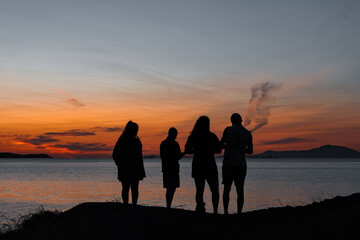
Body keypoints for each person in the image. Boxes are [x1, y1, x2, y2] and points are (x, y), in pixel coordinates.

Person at [185, 116, 221, 214]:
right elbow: (219, 149)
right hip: (209, 164)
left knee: (200, 190)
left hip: (198, 164)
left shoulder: (193, 136)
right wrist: (210, 150)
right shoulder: (212, 136)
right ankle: (215, 211)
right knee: (214, 190)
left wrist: (196, 150)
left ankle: (200, 209)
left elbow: (187, 150)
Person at [220, 113, 253, 214]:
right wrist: (241, 149)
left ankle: (226, 212)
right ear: (241, 120)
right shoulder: (248, 133)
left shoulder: (228, 130)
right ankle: (239, 212)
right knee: (240, 189)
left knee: (227, 188)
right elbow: (250, 151)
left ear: (232, 121)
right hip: (241, 165)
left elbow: (221, 145)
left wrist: (230, 147)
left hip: (228, 163)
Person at [112, 121, 146, 205]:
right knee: (126, 187)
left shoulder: (135, 141)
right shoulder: (122, 141)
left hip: (135, 168)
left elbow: (139, 157)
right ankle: (126, 205)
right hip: (126, 168)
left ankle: (133, 205)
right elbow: (115, 155)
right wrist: (121, 164)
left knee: (134, 187)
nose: (137, 131)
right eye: (135, 130)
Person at [160, 127, 185, 208]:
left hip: (169, 168)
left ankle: (168, 205)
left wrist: (183, 153)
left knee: (171, 188)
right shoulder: (172, 144)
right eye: (175, 135)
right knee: (171, 188)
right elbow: (177, 156)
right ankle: (168, 205)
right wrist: (184, 153)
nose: (176, 137)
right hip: (171, 168)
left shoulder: (164, 143)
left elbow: (164, 156)